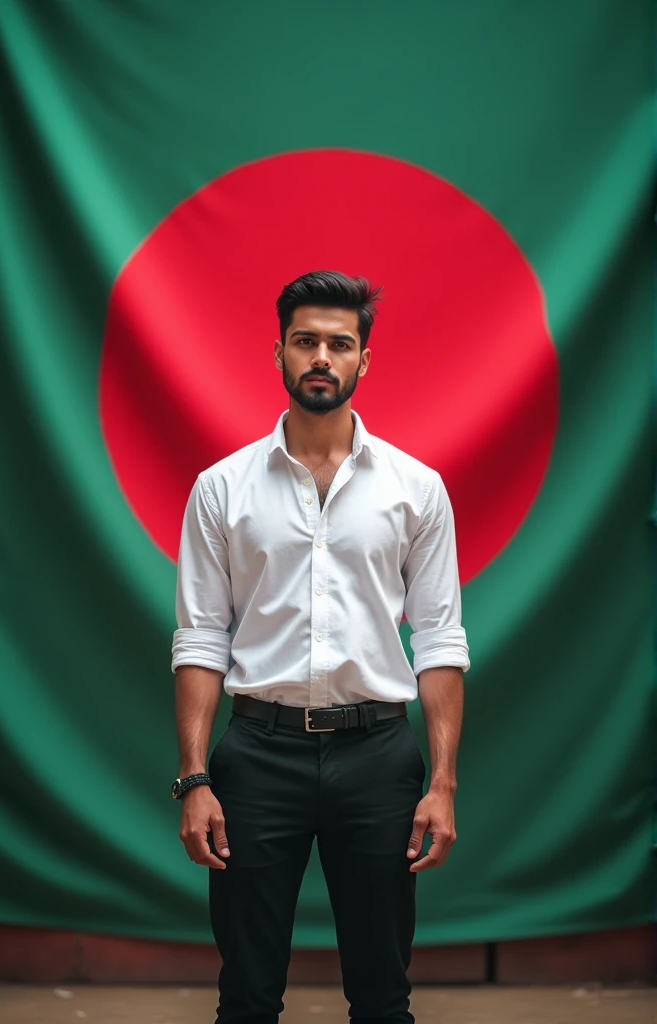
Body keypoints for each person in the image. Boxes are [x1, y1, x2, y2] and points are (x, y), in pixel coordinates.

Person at [170, 270, 469, 1024]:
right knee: (244, 996)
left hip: (378, 756)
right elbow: (201, 637)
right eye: (306, 341)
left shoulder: (416, 488)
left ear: (365, 360)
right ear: (278, 351)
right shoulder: (221, 488)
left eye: (341, 343)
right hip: (256, 754)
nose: (322, 358)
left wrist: (443, 783)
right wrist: (195, 778)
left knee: (381, 996)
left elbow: (438, 639)